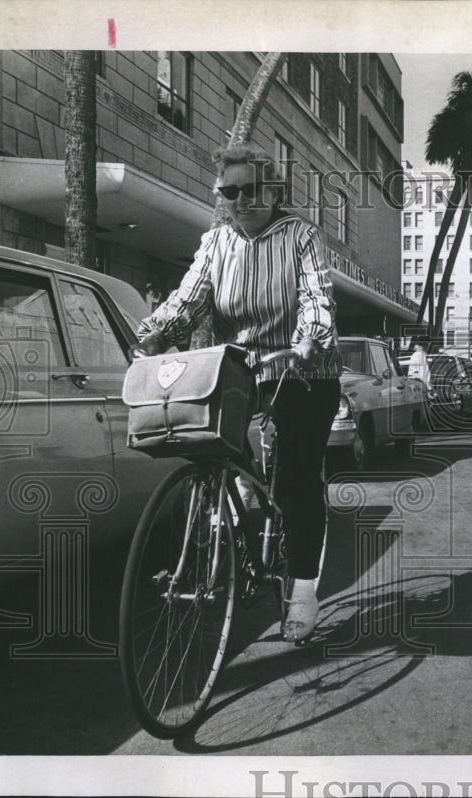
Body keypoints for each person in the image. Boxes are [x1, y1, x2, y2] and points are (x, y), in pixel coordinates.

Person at [133, 142, 342, 643]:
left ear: (273, 192)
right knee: (207, 446)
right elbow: (190, 297)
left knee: (294, 484)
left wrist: (309, 339)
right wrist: (157, 330)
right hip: (241, 372)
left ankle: (304, 591)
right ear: (221, 196)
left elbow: (317, 294)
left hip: (302, 370)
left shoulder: (300, 236)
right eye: (231, 191)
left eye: (252, 190)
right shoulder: (217, 242)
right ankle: (242, 491)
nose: (242, 200)